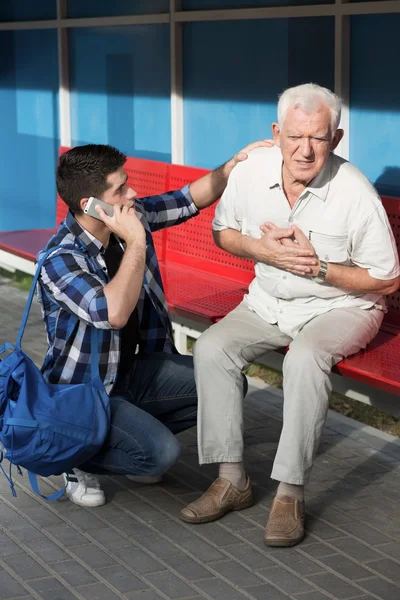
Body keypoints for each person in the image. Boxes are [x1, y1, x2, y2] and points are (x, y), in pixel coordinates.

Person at [180, 83, 400, 547]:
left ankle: (290, 492)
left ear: (335, 139)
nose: (305, 150)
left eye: (318, 138)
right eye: (296, 136)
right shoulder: (250, 170)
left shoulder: (355, 191)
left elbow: (387, 280)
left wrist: (317, 267)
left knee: (303, 359)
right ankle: (232, 479)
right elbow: (223, 232)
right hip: (269, 301)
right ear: (277, 133)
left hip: (339, 307)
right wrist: (260, 249)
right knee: (214, 348)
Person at [36, 140, 268, 508]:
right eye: (121, 189)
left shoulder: (127, 218)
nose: (133, 193)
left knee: (226, 383)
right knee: (160, 454)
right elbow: (112, 312)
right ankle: (73, 457)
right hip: (85, 393)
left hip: (132, 372)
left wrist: (231, 166)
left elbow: (188, 199)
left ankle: (127, 434)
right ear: (91, 205)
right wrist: (138, 244)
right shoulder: (60, 259)